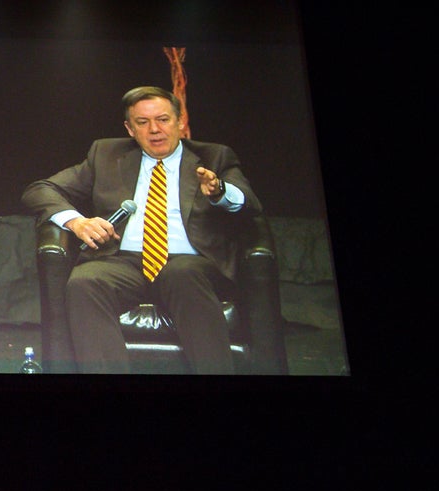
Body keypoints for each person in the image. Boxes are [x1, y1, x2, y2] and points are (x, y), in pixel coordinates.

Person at [21, 85, 266, 375]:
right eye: (143, 122)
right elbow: (40, 189)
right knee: (85, 281)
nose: (155, 130)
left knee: (181, 273)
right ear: (130, 129)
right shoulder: (105, 154)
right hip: (126, 261)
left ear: (180, 121)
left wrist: (220, 192)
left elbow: (249, 202)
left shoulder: (215, 157)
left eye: (163, 119)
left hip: (191, 262)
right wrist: (77, 222)